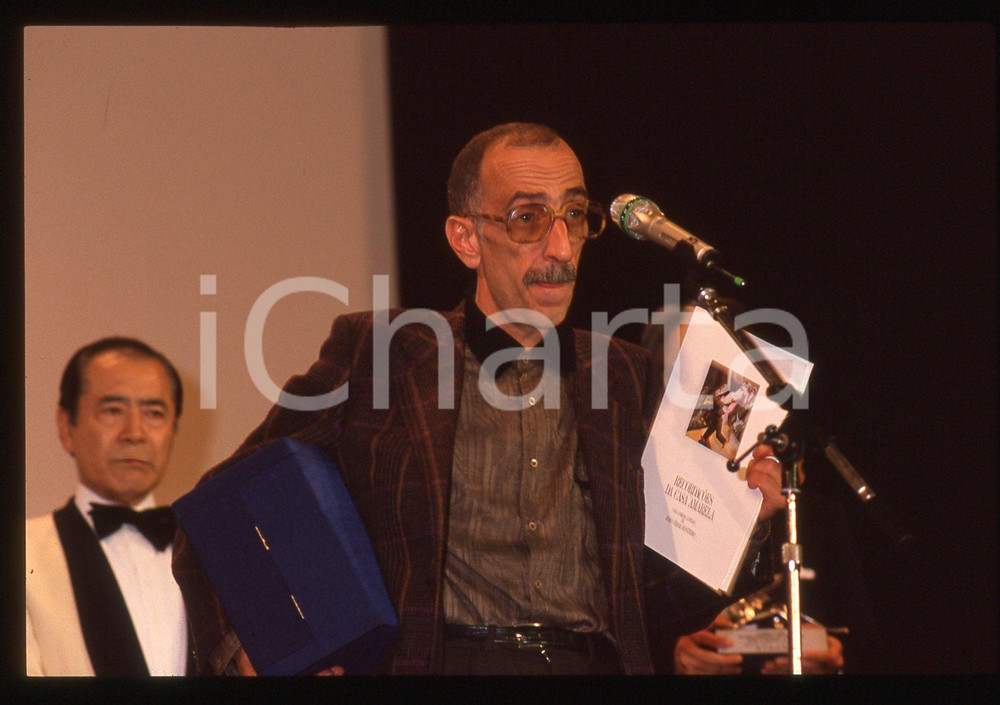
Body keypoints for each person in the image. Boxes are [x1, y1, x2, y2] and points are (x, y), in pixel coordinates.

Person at [172, 122, 786, 675]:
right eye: (528, 219)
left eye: (574, 216)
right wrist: (247, 650)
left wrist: (742, 525)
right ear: (467, 239)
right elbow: (216, 512)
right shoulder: (381, 352)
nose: (562, 248)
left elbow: (646, 605)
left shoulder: (628, 376)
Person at [26, 337, 191, 676]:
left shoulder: (209, 549)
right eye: (113, 410)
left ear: (174, 429)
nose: (135, 433)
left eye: (154, 413)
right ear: (66, 426)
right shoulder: (22, 552)